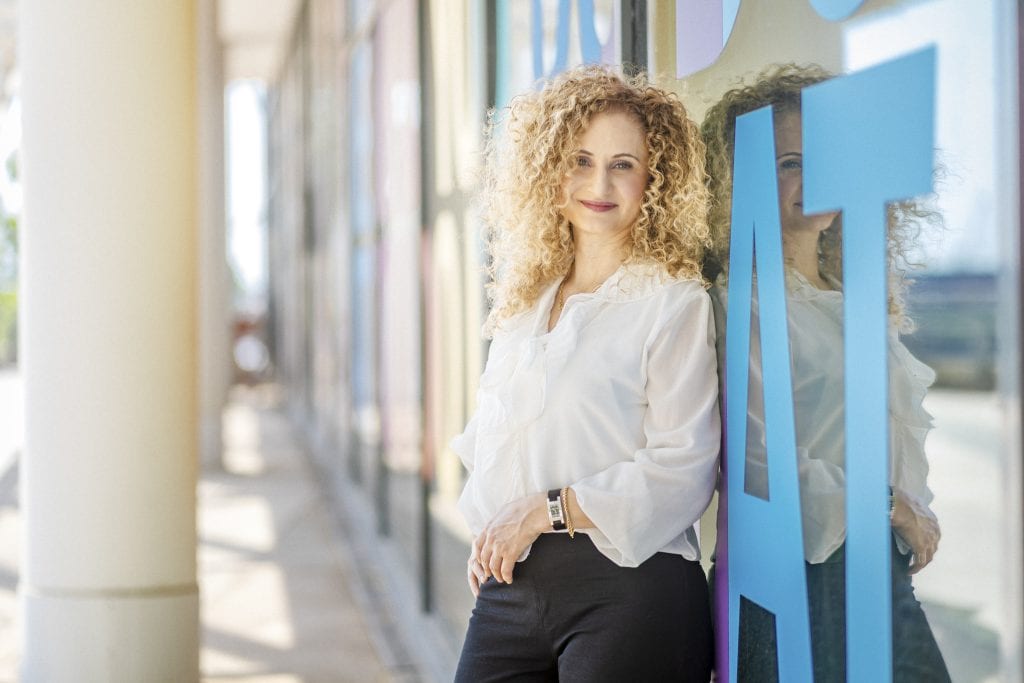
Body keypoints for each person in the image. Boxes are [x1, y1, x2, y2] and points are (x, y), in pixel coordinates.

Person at [450, 65, 721, 682]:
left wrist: (544, 511)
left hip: (629, 589)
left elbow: (684, 465)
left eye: (623, 163)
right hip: (511, 589)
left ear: (655, 177)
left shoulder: (673, 301)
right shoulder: (526, 302)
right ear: (550, 169)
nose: (599, 182)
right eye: (580, 158)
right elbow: (499, 438)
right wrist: (489, 525)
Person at [701, 64, 951, 681]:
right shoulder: (745, 303)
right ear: (743, 180)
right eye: (789, 162)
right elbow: (760, 463)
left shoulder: (850, 297)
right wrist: (893, 506)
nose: (813, 179)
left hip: (870, 570)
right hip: (801, 581)